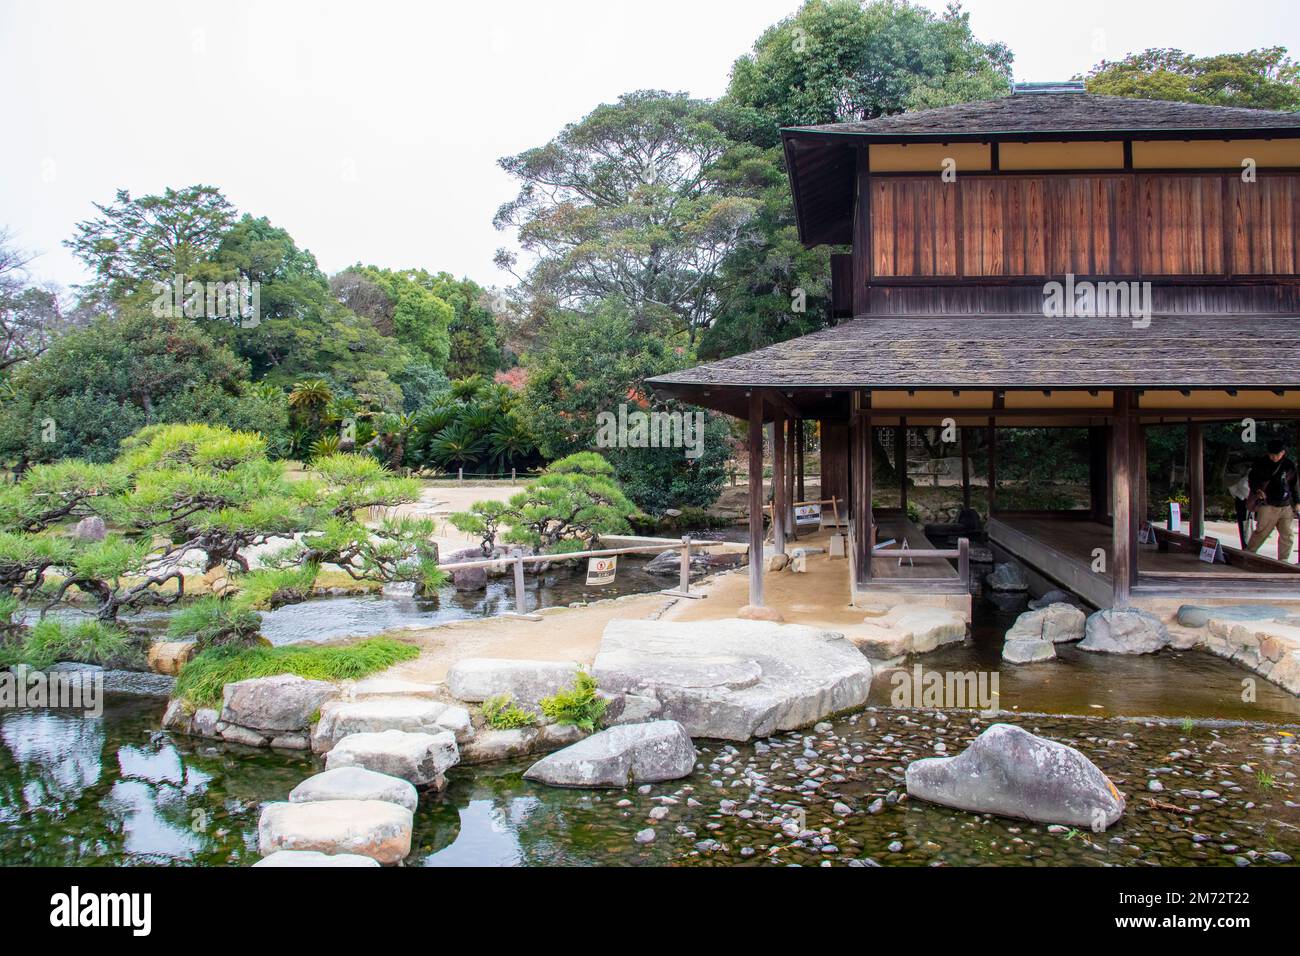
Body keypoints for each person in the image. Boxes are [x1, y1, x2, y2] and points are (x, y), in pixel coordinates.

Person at [1245, 439, 1299, 561]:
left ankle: (1283, 561)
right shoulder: (1261, 463)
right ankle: (1248, 555)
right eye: (1272, 454)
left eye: (1277, 454)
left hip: (1286, 505)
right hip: (1267, 504)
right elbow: (1253, 479)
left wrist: (1297, 502)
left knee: (1288, 535)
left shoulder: (1289, 465)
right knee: (1261, 532)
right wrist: (1257, 490)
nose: (1274, 457)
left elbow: (1294, 485)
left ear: (1283, 452)